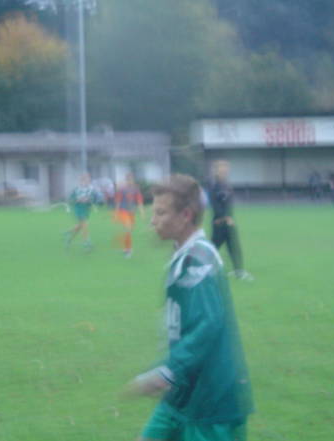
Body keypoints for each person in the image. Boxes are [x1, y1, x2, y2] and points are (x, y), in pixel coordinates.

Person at [126, 174, 254, 441]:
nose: (152, 220)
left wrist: (166, 372)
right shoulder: (185, 255)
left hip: (209, 401)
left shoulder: (199, 261)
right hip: (182, 391)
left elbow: (207, 326)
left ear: (186, 215)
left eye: (161, 213)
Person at [208, 160, 253, 281]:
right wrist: (224, 217)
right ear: (216, 171)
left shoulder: (226, 185)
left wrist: (229, 217)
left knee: (234, 246)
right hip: (219, 223)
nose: (225, 171)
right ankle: (204, 270)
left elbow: (229, 204)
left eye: (226, 169)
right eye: (222, 169)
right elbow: (215, 204)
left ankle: (239, 271)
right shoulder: (214, 186)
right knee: (213, 248)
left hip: (229, 222)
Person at [64, 173, 100, 250]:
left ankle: (69, 236)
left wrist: (89, 201)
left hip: (86, 210)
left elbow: (94, 199)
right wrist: (78, 200)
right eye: (85, 180)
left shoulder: (91, 189)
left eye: (88, 180)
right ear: (81, 181)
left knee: (80, 226)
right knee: (84, 225)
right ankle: (86, 242)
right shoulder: (76, 189)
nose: (87, 182)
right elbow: (71, 200)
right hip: (78, 209)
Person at [114, 172, 145, 258]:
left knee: (129, 231)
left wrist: (142, 212)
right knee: (127, 229)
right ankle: (128, 250)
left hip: (132, 212)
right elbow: (118, 201)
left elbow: (139, 201)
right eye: (128, 179)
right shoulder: (122, 190)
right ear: (126, 180)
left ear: (133, 180)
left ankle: (125, 247)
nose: (130, 181)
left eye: (131, 179)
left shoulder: (136, 189)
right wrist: (116, 213)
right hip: (123, 211)